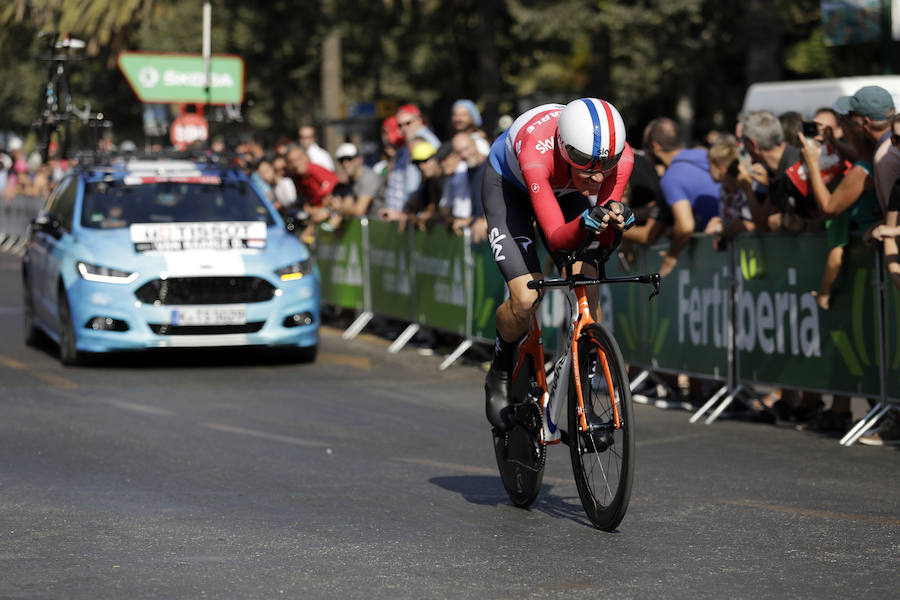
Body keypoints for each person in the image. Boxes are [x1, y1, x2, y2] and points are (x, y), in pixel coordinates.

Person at [482, 98, 634, 431]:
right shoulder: (536, 153)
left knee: (587, 285)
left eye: (605, 163)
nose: (595, 174)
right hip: (512, 188)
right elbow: (556, 237)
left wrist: (613, 222)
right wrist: (588, 222)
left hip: (564, 193)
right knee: (526, 297)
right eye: (583, 161)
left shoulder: (622, 160)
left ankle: (584, 396)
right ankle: (502, 368)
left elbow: (602, 242)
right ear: (564, 146)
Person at [642, 117, 720, 277]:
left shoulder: (671, 177)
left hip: (716, 256)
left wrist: (670, 258)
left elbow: (685, 227)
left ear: (655, 146)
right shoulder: (703, 154)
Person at [741, 110, 821, 234]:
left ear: (753, 144)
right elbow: (763, 223)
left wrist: (797, 224)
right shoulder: (775, 171)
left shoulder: (797, 168)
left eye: (743, 142)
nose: (743, 148)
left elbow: (821, 217)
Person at [704, 134, 756, 250]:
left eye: (710, 165)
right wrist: (718, 224)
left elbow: (749, 224)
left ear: (722, 168)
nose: (708, 169)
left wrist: (720, 231)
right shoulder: (724, 190)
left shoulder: (745, 188)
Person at [451, 131, 488, 242]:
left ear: (475, 145)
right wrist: (469, 220)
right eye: (459, 152)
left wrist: (486, 220)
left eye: (466, 149)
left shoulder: (492, 165)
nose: (464, 155)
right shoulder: (469, 170)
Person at [332, 142, 385, 220]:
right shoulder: (351, 180)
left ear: (359, 159)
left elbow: (359, 210)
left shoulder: (369, 177)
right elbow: (348, 205)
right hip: (369, 227)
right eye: (341, 160)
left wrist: (339, 208)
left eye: (349, 159)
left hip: (384, 226)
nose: (345, 164)